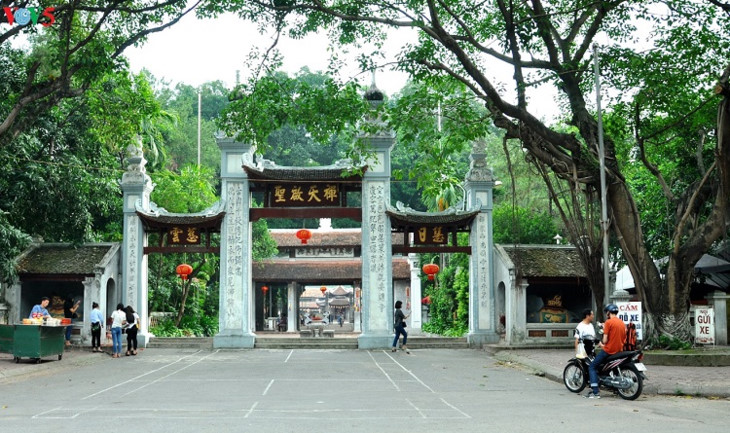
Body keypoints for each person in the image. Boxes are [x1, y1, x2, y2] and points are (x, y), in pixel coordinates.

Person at [587, 304, 627, 399]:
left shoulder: (608, 322)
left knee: (592, 367)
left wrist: (602, 341)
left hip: (609, 350)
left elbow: (605, 340)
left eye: (607, 312)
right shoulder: (622, 323)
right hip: (619, 350)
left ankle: (595, 392)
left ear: (609, 312)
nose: (606, 314)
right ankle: (615, 389)